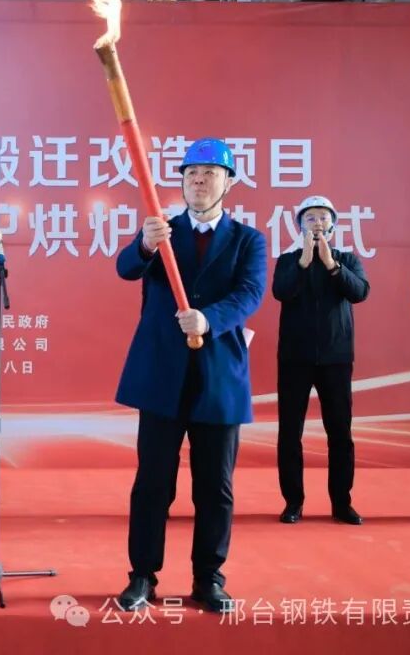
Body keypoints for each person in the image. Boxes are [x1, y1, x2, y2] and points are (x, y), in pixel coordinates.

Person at [114, 138, 266, 612]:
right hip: (163, 375)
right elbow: (125, 268)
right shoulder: (163, 230)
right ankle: (142, 575)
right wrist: (145, 244)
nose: (199, 181)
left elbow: (250, 293)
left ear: (229, 183)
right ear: (182, 181)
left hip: (218, 377)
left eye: (210, 174)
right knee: (152, 483)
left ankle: (209, 578)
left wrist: (209, 319)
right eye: (192, 174)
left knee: (214, 487)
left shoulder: (247, 240)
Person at [272, 196, 369, 526]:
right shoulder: (288, 261)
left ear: (333, 225)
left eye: (323, 218)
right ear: (299, 226)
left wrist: (331, 265)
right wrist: (304, 262)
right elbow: (281, 292)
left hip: (336, 358)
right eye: (310, 218)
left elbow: (360, 292)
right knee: (290, 433)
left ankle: (342, 503)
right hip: (294, 358)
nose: (317, 223)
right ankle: (293, 502)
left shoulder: (347, 259)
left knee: (340, 432)